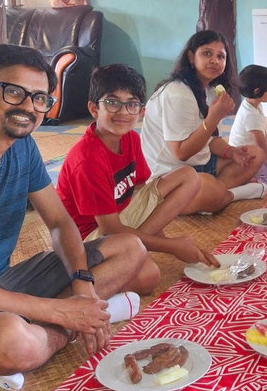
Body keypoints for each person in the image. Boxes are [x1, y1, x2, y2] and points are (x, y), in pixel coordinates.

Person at [0, 45, 159, 386]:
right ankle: (61, 328)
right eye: (14, 92)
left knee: (131, 250)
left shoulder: (22, 145)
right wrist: (56, 310)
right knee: (12, 343)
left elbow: (59, 221)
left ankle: (63, 323)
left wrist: (82, 285)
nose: (28, 107)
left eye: (39, 98)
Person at [56, 64, 219, 268]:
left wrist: (165, 242)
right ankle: (120, 254)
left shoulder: (131, 138)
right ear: (94, 109)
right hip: (89, 238)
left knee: (188, 175)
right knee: (149, 276)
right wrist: (171, 246)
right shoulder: (87, 159)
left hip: (119, 219)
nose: (123, 112)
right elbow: (110, 229)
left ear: (141, 111)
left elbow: (141, 194)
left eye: (131, 104)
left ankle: (136, 246)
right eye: (112, 103)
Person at [140, 31, 266, 214]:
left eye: (220, 56)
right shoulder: (177, 94)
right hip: (169, 174)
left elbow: (209, 140)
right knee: (209, 188)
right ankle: (228, 195)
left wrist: (232, 153)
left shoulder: (210, 90)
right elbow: (181, 153)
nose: (214, 60)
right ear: (191, 57)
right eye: (207, 53)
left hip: (199, 165)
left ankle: (214, 195)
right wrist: (214, 117)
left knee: (254, 154)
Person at [228, 64, 267, 188]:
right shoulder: (251, 115)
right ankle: (249, 179)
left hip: (253, 152)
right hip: (245, 158)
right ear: (257, 91)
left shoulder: (253, 105)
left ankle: (253, 174)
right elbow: (262, 147)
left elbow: (262, 146)